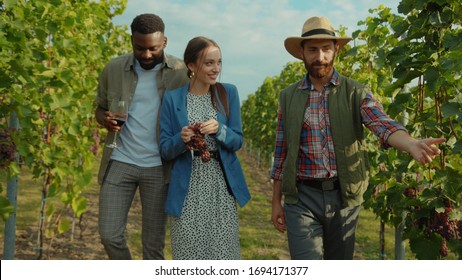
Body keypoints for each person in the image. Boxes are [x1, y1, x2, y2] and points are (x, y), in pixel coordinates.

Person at [270, 16, 446, 260]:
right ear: (302, 52)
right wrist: (276, 200)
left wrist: (410, 144)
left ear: (336, 50)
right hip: (301, 198)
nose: (319, 56)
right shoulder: (288, 97)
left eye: (326, 49)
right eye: (312, 49)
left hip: (343, 196)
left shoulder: (356, 91)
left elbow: (381, 123)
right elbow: (281, 152)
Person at [94, 13, 188, 260]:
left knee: (153, 247)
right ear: (131, 41)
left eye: (153, 49)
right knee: (109, 235)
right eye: (139, 48)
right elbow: (99, 108)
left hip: (159, 168)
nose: (146, 55)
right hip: (120, 160)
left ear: (165, 42)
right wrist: (104, 118)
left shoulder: (180, 73)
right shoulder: (113, 68)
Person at [159, 36, 251, 260]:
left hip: (219, 186)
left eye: (219, 62)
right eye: (209, 63)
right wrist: (181, 139)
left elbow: (237, 140)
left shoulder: (227, 92)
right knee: (188, 255)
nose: (216, 69)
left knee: (223, 254)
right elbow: (164, 150)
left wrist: (220, 130)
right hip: (187, 189)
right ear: (191, 65)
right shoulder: (172, 99)